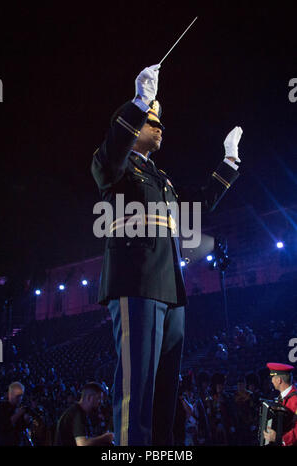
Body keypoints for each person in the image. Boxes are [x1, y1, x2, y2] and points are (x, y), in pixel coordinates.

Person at [91, 64, 243, 445]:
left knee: (163, 386)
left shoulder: (162, 180)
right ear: (131, 127)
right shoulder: (116, 166)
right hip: (136, 278)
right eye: (150, 121)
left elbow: (199, 203)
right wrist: (139, 102)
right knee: (137, 380)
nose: (159, 127)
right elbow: (112, 150)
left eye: (159, 121)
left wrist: (228, 163)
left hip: (169, 287)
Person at [54, 382, 114, 446]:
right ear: (89, 397)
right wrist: (106, 438)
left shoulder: (81, 413)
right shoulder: (77, 413)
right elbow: (82, 444)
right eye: (99, 399)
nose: (101, 403)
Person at [263, 363, 297, 446]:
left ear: (279, 380)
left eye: (272, 378)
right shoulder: (281, 398)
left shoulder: (295, 399)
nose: (271, 381)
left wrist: (280, 439)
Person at [0, 382, 32, 446]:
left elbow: (20, 428)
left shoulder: (18, 407)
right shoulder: (1, 407)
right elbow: (4, 426)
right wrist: (18, 414)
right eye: (18, 396)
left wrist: (26, 421)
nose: (20, 399)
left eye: (21, 396)